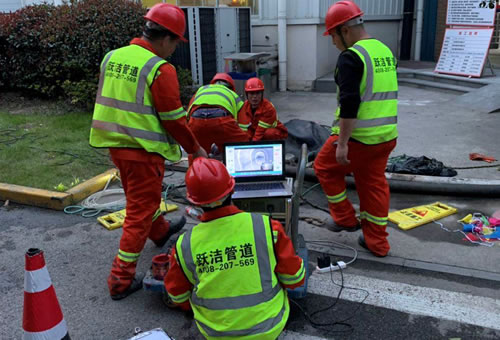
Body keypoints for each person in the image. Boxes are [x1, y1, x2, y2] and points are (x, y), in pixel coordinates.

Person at [89, 3, 208, 300]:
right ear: (165, 38)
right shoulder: (159, 68)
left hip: (117, 148)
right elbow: (174, 120)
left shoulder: (112, 57)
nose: (173, 51)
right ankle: (120, 279)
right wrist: (195, 148)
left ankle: (160, 232)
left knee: (142, 200)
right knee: (139, 212)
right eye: (175, 44)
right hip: (143, 153)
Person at [164, 158, 305, 339]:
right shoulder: (267, 227)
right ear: (232, 189)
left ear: (195, 203)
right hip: (268, 328)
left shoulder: (184, 245)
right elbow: (295, 279)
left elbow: (178, 296)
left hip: (215, 333)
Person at [313, 1, 398, 257]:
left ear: (344, 30)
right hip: (385, 137)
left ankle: (345, 219)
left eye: (333, 36)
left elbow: (350, 102)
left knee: (324, 167)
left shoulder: (351, 57)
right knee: (372, 185)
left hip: (359, 138)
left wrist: (342, 143)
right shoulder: (384, 51)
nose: (333, 43)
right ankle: (377, 243)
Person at [187, 73, 250, 155]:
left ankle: (194, 167)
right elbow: (243, 127)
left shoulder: (202, 90)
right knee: (242, 142)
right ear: (231, 87)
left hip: (196, 120)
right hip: (221, 120)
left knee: (196, 149)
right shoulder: (233, 95)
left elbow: (188, 114)